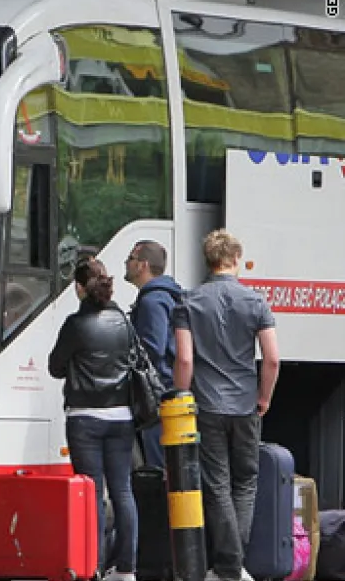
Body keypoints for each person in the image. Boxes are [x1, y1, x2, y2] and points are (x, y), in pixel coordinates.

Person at [173, 230, 279, 581]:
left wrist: (181, 399)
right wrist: (263, 397)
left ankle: (228, 567)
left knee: (216, 484)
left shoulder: (188, 302)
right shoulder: (256, 302)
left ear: (209, 260)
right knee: (245, 482)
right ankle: (235, 567)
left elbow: (185, 360)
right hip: (246, 405)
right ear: (236, 259)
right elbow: (272, 359)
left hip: (207, 406)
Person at [49, 259, 138, 581]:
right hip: (122, 417)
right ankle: (127, 567)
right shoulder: (123, 322)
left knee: (91, 492)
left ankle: (94, 564)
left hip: (85, 418)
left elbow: (55, 367)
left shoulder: (75, 325)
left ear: (79, 287)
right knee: (122, 491)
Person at [124, 240, 182, 469]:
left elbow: (152, 349)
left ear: (143, 265)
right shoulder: (167, 296)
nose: (127, 264)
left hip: (157, 394)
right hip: (170, 390)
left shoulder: (151, 301)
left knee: (159, 466)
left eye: (130, 259)